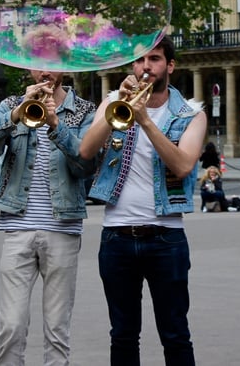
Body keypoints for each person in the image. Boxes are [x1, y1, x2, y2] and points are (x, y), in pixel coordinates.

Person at [79, 36, 206, 365]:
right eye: (138, 61)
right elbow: (86, 151)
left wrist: (145, 120)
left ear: (170, 66)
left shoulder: (190, 113)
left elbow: (182, 165)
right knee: (122, 334)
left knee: (175, 333)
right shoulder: (112, 102)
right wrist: (114, 110)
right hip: (117, 236)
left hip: (166, 237)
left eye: (154, 59)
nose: (145, 67)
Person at [0, 67, 97, 366]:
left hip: (62, 226)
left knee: (57, 329)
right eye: (38, 64)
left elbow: (86, 166)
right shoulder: (12, 103)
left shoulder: (84, 111)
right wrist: (14, 114)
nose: (45, 72)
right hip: (18, 226)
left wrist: (56, 125)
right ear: (29, 68)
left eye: (52, 63)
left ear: (65, 68)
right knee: (12, 326)